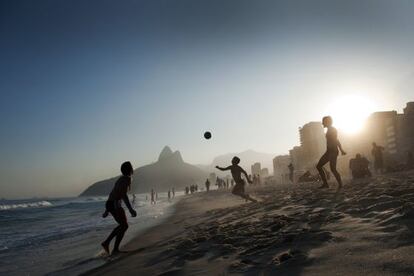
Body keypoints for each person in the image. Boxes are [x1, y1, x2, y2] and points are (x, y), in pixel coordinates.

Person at [101, 161, 137, 255]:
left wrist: (107, 210)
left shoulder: (121, 179)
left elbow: (113, 194)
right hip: (114, 204)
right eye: (132, 167)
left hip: (111, 203)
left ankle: (108, 244)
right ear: (130, 169)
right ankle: (113, 248)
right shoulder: (126, 179)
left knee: (123, 225)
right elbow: (123, 195)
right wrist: (130, 209)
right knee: (124, 225)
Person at [316, 116, 346, 189]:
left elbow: (336, 140)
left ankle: (340, 184)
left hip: (333, 151)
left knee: (332, 169)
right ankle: (326, 184)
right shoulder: (330, 129)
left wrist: (341, 150)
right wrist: (341, 150)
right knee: (319, 166)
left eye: (323, 122)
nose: (322, 123)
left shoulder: (332, 129)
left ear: (327, 122)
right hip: (329, 151)